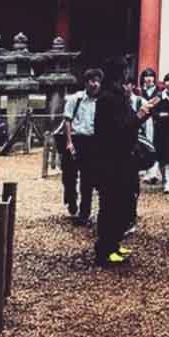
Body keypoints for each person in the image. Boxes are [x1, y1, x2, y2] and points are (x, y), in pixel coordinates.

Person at [93, 58, 158, 266]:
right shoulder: (107, 99)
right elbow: (118, 129)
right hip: (112, 160)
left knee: (124, 202)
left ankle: (114, 242)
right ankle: (105, 248)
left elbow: (128, 124)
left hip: (125, 159)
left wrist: (143, 114)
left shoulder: (120, 97)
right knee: (111, 204)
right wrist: (140, 114)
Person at [62, 68, 102, 224]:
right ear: (86, 83)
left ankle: (84, 212)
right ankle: (71, 200)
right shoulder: (76, 99)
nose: (95, 84)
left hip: (92, 141)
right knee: (70, 175)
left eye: (98, 81)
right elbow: (67, 120)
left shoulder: (101, 101)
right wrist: (69, 141)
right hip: (76, 139)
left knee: (88, 178)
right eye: (92, 81)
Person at [123, 78, 146, 235]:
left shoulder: (138, 101)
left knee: (132, 186)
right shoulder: (116, 102)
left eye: (128, 84)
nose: (126, 87)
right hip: (120, 149)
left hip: (135, 147)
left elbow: (146, 128)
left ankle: (130, 217)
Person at [138, 67, 162, 183]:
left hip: (154, 121)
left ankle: (153, 173)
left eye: (151, 76)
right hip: (142, 121)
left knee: (155, 144)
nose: (148, 78)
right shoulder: (138, 92)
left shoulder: (159, 92)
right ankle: (144, 170)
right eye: (146, 76)